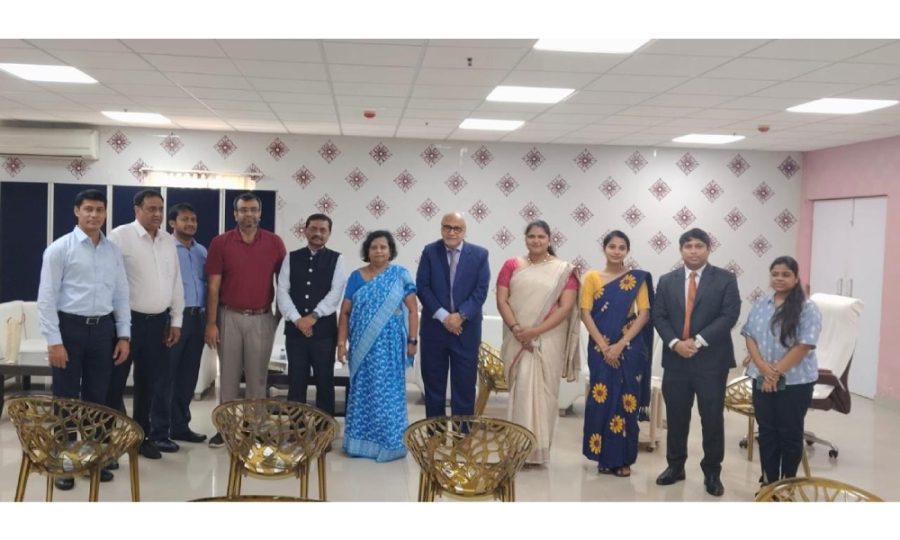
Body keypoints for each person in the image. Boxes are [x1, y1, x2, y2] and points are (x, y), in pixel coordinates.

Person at [37, 188, 131, 490]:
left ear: (105, 213)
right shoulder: (59, 249)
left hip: (103, 330)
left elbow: (121, 294)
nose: (94, 215)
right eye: (88, 209)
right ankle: (65, 462)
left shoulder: (112, 251)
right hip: (70, 329)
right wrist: (54, 341)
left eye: (99, 210)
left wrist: (124, 334)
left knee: (97, 399)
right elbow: (46, 298)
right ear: (77, 211)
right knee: (65, 399)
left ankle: (91, 459)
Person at [652, 227, 740, 497]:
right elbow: (659, 315)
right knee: (676, 417)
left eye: (699, 246)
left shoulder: (725, 279)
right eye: (688, 246)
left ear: (708, 249)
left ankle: (712, 472)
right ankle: (675, 466)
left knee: (711, 418)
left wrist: (697, 341)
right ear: (681, 250)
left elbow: (729, 315)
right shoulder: (667, 281)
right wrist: (675, 343)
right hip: (676, 360)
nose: (693, 251)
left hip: (712, 361)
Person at [205, 192, 286, 448]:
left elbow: (283, 283)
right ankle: (226, 428)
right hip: (228, 316)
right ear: (235, 214)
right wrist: (211, 323)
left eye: (253, 209)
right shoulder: (221, 243)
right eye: (243, 210)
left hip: (261, 317)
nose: (248, 214)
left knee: (257, 378)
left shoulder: (274, 243)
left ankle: (256, 428)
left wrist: (277, 317)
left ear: (260, 214)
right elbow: (213, 286)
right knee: (228, 376)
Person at [107, 189, 184, 460]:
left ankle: (140, 438)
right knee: (114, 385)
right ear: (137, 210)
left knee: (148, 384)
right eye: (151, 208)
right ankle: (109, 442)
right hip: (126, 324)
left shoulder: (168, 240)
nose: (157, 214)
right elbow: (111, 281)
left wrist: (176, 320)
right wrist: (120, 328)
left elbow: (176, 281)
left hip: (158, 323)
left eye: (160, 209)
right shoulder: (120, 236)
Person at [496, 220, 580, 465]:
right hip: (517, 337)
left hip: (548, 338)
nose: (536, 241)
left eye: (541, 237)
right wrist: (517, 328)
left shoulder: (563, 270)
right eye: (531, 236)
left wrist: (534, 331)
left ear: (549, 239)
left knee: (545, 394)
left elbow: (565, 307)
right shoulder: (512, 265)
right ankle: (517, 449)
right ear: (525, 239)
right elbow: (502, 300)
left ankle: (538, 450)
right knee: (521, 390)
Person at [337, 230, 417, 462]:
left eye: (383, 247)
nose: (379, 251)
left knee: (388, 394)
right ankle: (359, 444)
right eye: (374, 247)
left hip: (391, 346)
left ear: (390, 251)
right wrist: (341, 343)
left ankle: (390, 443)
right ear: (367, 251)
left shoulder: (400, 275)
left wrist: (413, 341)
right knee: (362, 391)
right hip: (362, 346)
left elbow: (413, 310)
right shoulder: (356, 277)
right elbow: (345, 312)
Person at [742, 256, 821, 488]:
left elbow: (804, 345)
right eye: (775, 274)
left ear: (796, 278)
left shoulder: (807, 308)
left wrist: (774, 373)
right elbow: (749, 336)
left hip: (795, 382)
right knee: (766, 431)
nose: (779, 278)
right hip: (761, 377)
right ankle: (769, 483)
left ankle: (787, 485)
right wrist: (763, 368)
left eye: (786, 274)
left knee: (789, 433)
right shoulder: (761, 303)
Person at [580, 230, 653, 477]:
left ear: (627, 251)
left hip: (629, 349)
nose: (616, 251)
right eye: (612, 246)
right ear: (604, 248)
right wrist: (604, 346)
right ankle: (604, 456)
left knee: (626, 401)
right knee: (601, 400)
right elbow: (585, 312)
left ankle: (624, 459)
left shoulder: (636, 279)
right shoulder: (592, 277)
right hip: (599, 349)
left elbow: (644, 313)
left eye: (622, 247)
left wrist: (621, 344)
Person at [415, 212, 490, 417]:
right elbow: (422, 287)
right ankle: (435, 433)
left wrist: (460, 316)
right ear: (441, 229)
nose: (451, 232)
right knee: (433, 388)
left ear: (464, 231)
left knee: (464, 388)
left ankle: (462, 434)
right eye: (447, 227)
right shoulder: (430, 252)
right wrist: (444, 317)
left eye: (457, 228)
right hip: (434, 331)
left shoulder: (480, 255)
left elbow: (481, 291)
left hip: (466, 331)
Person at [276, 213, 347, 415]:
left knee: (325, 382)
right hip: (295, 332)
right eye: (313, 229)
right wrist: (297, 320)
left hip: (324, 333)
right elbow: (282, 290)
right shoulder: (291, 257)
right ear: (305, 230)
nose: (318, 233)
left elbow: (336, 293)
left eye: (323, 230)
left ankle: (325, 428)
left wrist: (313, 317)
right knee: (296, 382)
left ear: (329, 233)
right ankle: (296, 428)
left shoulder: (337, 259)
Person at [161, 203, 209, 443]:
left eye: (193, 220)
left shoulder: (202, 251)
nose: (190, 224)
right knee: (166, 375)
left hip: (198, 318)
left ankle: (180, 426)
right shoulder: (164, 248)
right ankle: (160, 429)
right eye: (185, 219)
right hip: (173, 319)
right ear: (172, 223)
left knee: (188, 376)